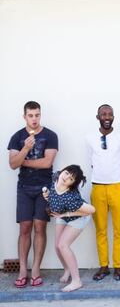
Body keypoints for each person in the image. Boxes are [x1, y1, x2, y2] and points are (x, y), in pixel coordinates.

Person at [8, 101, 58, 288]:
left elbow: (47, 163)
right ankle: (23, 271)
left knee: (40, 227)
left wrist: (22, 161)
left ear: (40, 115)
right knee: (24, 229)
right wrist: (26, 149)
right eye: (31, 115)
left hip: (44, 189)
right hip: (24, 188)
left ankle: (35, 270)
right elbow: (12, 164)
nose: (34, 119)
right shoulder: (17, 137)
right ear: (24, 116)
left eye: (37, 115)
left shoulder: (50, 135)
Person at [86, 104, 120, 281]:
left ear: (113, 117)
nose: (107, 116)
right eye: (103, 114)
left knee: (119, 230)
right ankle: (104, 266)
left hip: (117, 186)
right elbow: (91, 161)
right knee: (100, 230)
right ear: (98, 117)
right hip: (98, 187)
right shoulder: (89, 138)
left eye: (110, 114)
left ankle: (118, 266)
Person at [43, 165, 95, 292]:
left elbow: (91, 210)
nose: (66, 177)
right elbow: (52, 191)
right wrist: (48, 195)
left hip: (77, 217)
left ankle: (77, 281)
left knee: (63, 245)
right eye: (66, 173)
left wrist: (66, 214)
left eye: (71, 179)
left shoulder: (71, 197)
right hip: (62, 214)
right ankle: (67, 269)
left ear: (72, 185)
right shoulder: (55, 177)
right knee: (57, 246)